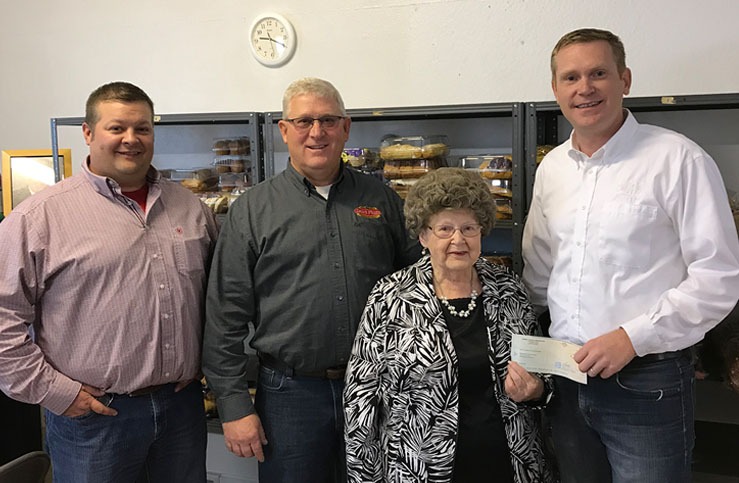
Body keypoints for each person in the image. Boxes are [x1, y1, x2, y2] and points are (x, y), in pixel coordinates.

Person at [522, 28, 739, 483]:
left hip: (647, 382)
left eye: (599, 73)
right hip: (565, 379)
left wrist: (632, 337)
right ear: (556, 90)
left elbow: (719, 277)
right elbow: (539, 275)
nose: (585, 88)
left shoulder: (678, 160)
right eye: (571, 77)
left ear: (625, 79)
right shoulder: (552, 169)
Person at [202, 77, 420, 483]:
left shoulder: (382, 200)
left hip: (377, 387)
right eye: (303, 121)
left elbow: (417, 289)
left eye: (327, 120)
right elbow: (224, 315)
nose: (316, 132)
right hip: (290, 396)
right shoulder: (252, 210)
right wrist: (233, 405)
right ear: (284, 130)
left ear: (346, 127)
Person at [0, 81, 218, 482]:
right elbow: (3, 322)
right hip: (94, 419)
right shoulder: (37, 219)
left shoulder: (191, 208)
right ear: (88, 132)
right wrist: (57, 394)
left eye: (143, 128)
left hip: (181, 409)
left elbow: (216, 300)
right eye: (117, 128)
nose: (131, 140)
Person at [344, 167, 556, 483]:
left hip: (508, 464)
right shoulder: (390, 297)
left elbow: (543, 371)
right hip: (419, 468)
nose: (458, 239)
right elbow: (360, 400)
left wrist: (537, 390)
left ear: (482, 232)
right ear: (423, 236)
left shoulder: (509, 289)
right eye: (444, 228)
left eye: (469, 228)